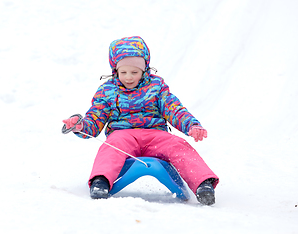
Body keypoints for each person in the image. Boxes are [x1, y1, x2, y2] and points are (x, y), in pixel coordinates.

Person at [62, 36, 219, 205]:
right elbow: (96, 117)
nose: (128, 77)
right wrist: (81, 126)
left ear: (145, 70)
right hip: (123, 135)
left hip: (156, 135)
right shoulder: (107, 91)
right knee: (111, 146)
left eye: (134, 72)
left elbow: (174, 108)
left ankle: (203, 183)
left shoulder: (157, 86)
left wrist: (191, 125)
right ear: (115, 71)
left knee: (177, 145)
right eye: (123, 72)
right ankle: (101, 180)